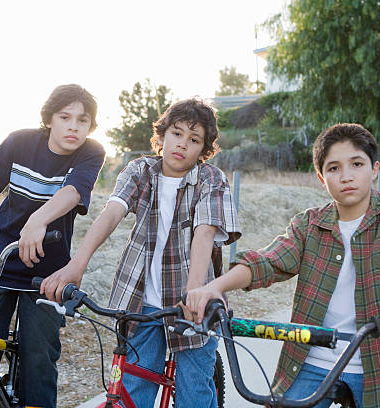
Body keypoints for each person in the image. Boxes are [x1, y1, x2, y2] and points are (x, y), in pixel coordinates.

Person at [187, 123, 380, 407]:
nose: (346, 176)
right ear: (321, 177)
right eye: (333, 168)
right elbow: (267, 262)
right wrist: (216, 286)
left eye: (356, 164)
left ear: (374, 169)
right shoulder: (309, 223)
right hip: (311, 360)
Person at [43, 98, 240, 408]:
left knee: (194, 393)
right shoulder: (141, 170)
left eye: (194, 139)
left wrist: (195, 292)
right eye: (176, 134)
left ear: (203, 149)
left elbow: (204, 232)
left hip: (193, 301)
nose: (182, 145)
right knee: (133, 390)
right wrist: (76, 265)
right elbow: (111, 213)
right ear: (161, 137)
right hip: (141, 300)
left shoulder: (210, 179)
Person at [0, 84, 105, 408]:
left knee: (38, 359)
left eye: (83, 120)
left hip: (48, 277)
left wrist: (37, 220)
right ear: (50, 119)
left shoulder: (91, 151)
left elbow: (74, 193)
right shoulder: (20, 142)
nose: (73, 126)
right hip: (0, 265)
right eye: (65, 117)